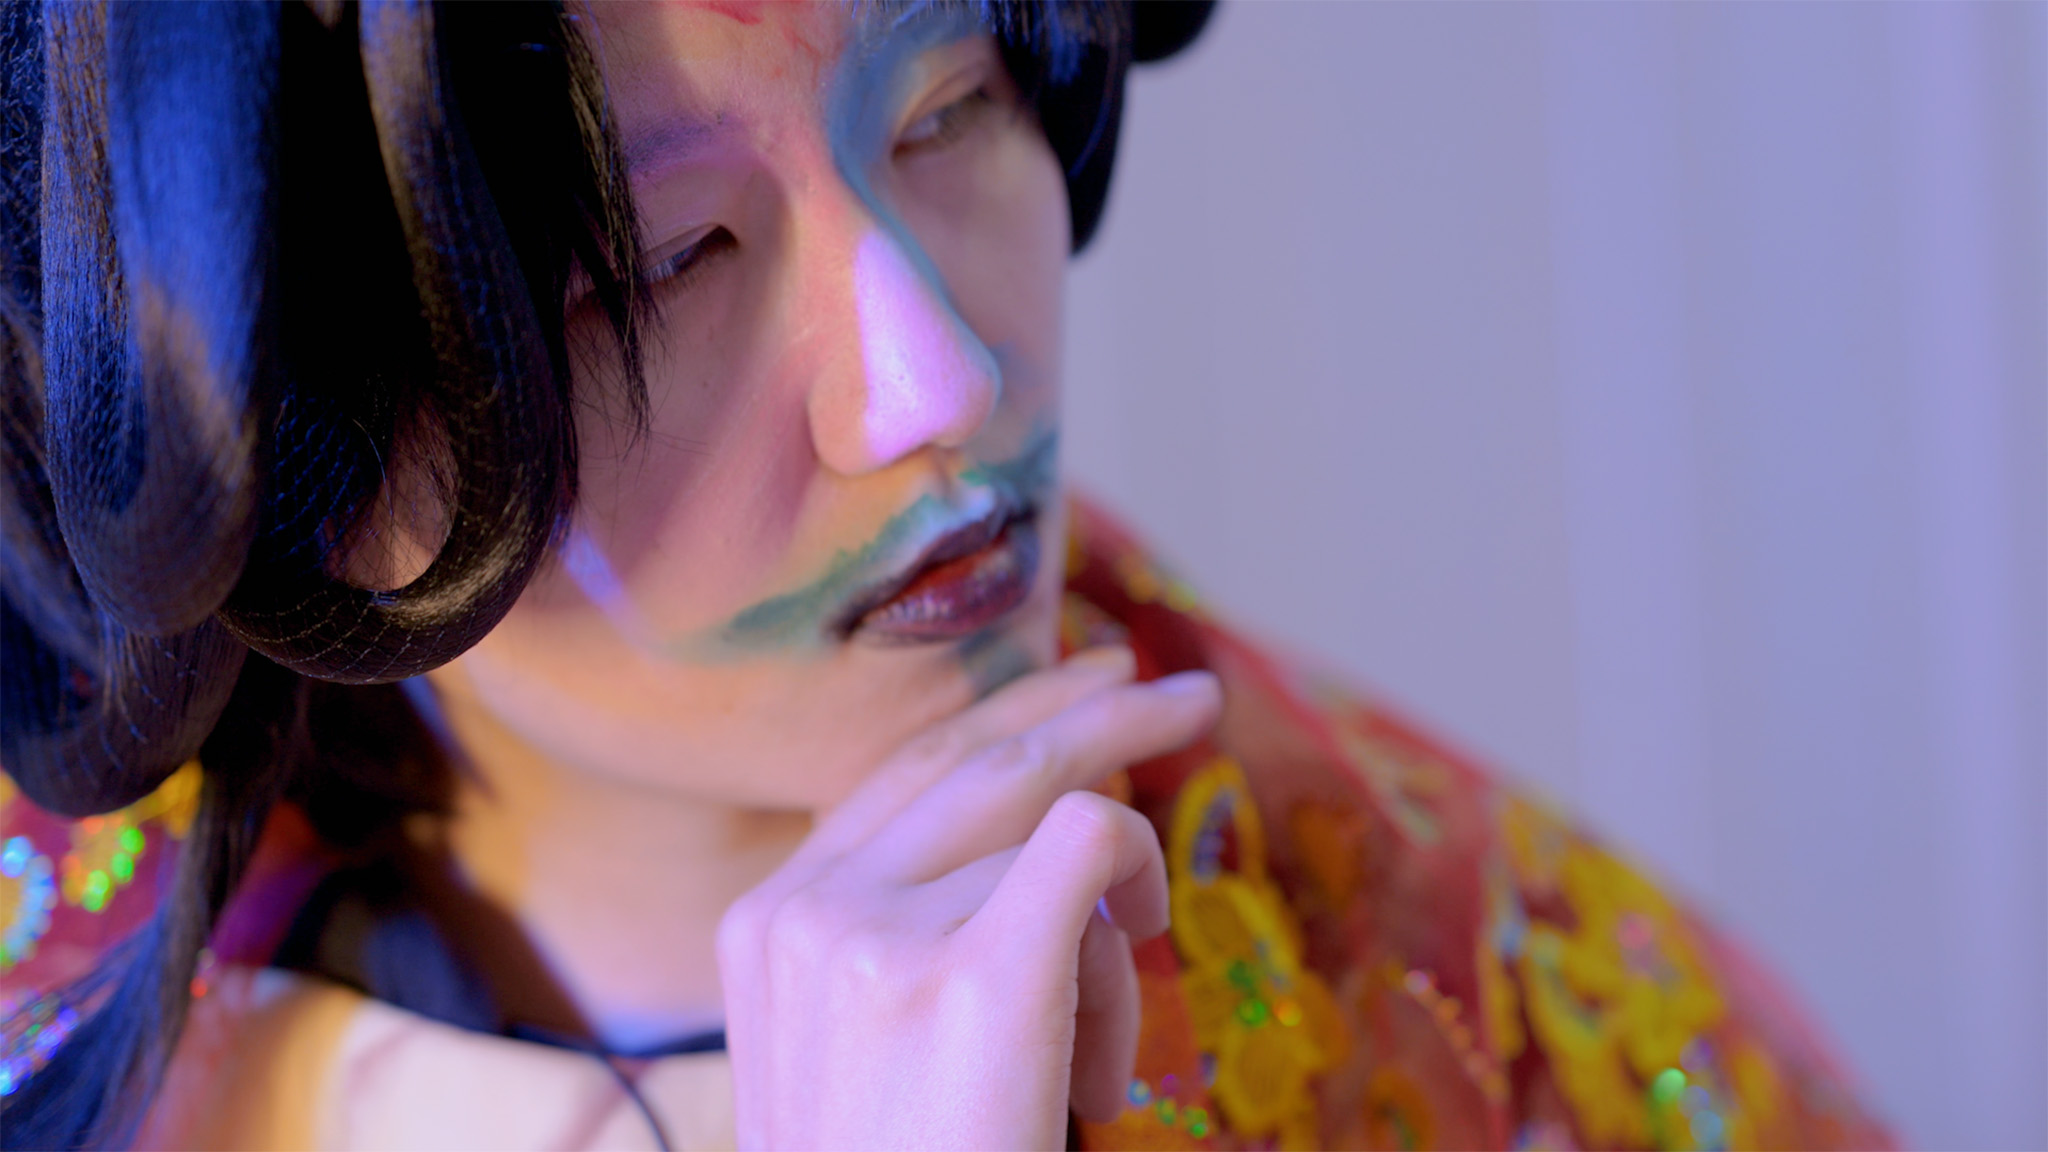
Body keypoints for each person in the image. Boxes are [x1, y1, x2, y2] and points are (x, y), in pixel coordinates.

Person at [0, 1, 1893, 1148]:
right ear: (281, 419)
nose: (937, 383)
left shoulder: (1491, 1011)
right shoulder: (56, 1013)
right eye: (665, 267)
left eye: (949, 111)